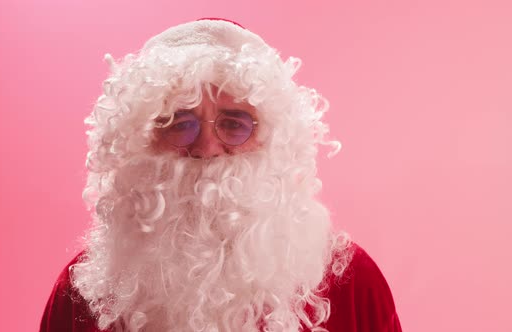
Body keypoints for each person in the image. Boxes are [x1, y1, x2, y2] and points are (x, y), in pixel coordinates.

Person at [40, 18, 402, 332]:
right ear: (142, 143)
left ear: (271, 141)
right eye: (180, 123)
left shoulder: (353, 283)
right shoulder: (86, 295)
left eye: (234, 123)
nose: (207, 147)